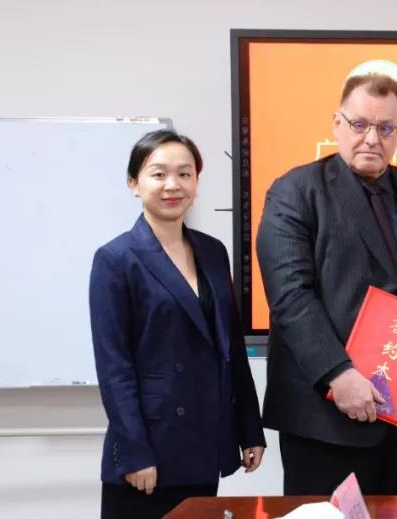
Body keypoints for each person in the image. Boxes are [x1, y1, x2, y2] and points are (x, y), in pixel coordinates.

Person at [256, 73, 397, 495]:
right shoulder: (295, 192)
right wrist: (338, 375)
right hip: (329, 418)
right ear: (337, 124)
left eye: (385, 128)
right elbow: (290, 297)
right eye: (359, 124)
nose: (371, 139)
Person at [89, 130, 265, 519]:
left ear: (196, 183)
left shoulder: (213, 252)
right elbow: (114, 368)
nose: (173, 185)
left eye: (185, 174)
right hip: (149, 448)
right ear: (134, 183)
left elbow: (232, 348)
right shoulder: (116, 259)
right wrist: (135, 451)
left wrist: (249, 429)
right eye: (158, 174)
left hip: (203, 439)